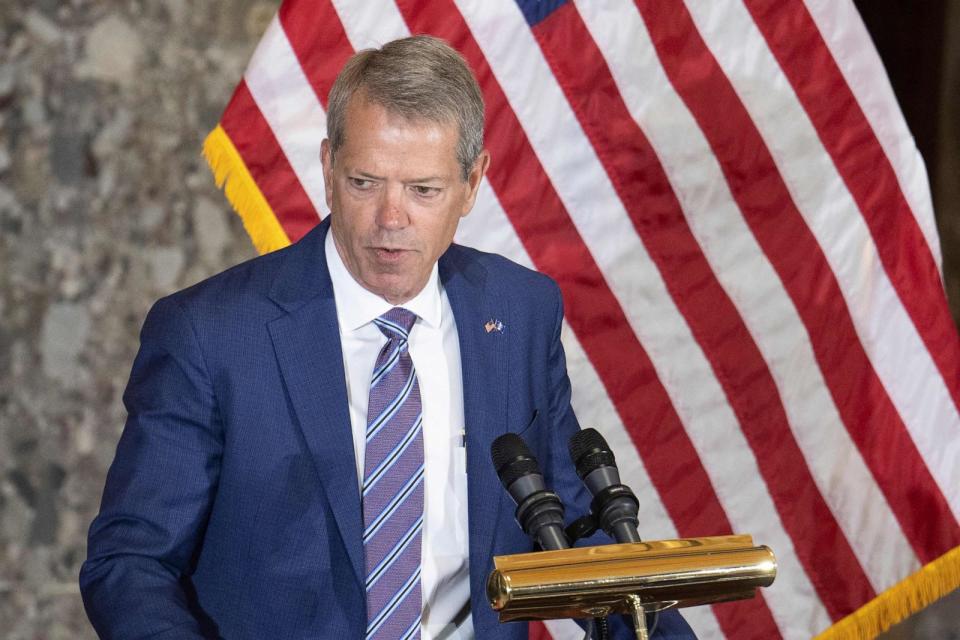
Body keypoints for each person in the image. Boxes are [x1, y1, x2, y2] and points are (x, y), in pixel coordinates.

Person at [80, 36, 695, 639]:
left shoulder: (518, 313)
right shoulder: (211, 333)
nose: (392, 220)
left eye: (423, 190)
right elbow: (131, 563)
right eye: (365, 183)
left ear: (472, 184)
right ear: (327, 167)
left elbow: (577, 530)